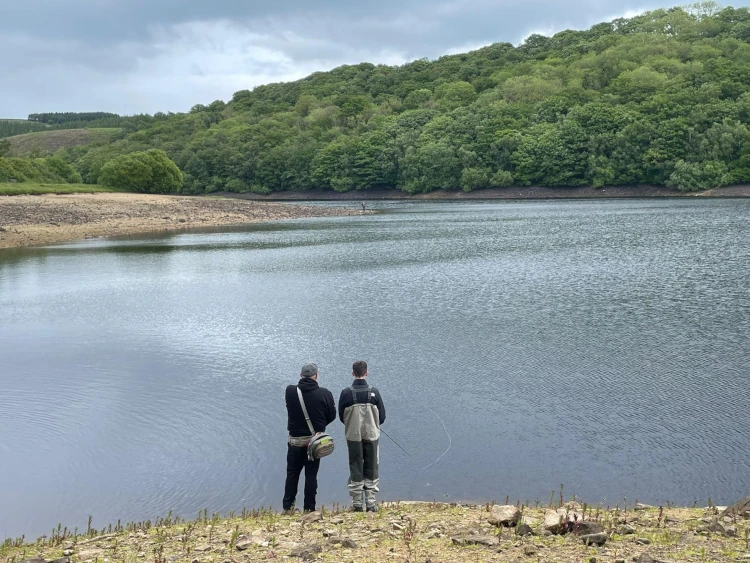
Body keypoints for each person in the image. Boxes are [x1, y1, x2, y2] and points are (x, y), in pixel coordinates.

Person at [283, 363, 336, 513]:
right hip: (314, 442)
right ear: (316, 376)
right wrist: (319, 427)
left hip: (295, 441)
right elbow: (331, 416)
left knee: (292, 473)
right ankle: (309, 508)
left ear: (301, 375)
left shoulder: (290, 391)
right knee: (311, 475)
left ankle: (288, 508)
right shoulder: (325, 393)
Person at [338, 360, 386, 512]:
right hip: (372, 434)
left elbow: (341, 416)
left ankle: (357, 504)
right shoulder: (375, 392)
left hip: (353, 434)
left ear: (353, 373)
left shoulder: (346, 393)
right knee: (372, 466)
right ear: (367, 373)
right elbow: (382, 417)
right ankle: (371, 503)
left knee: (355, 465)